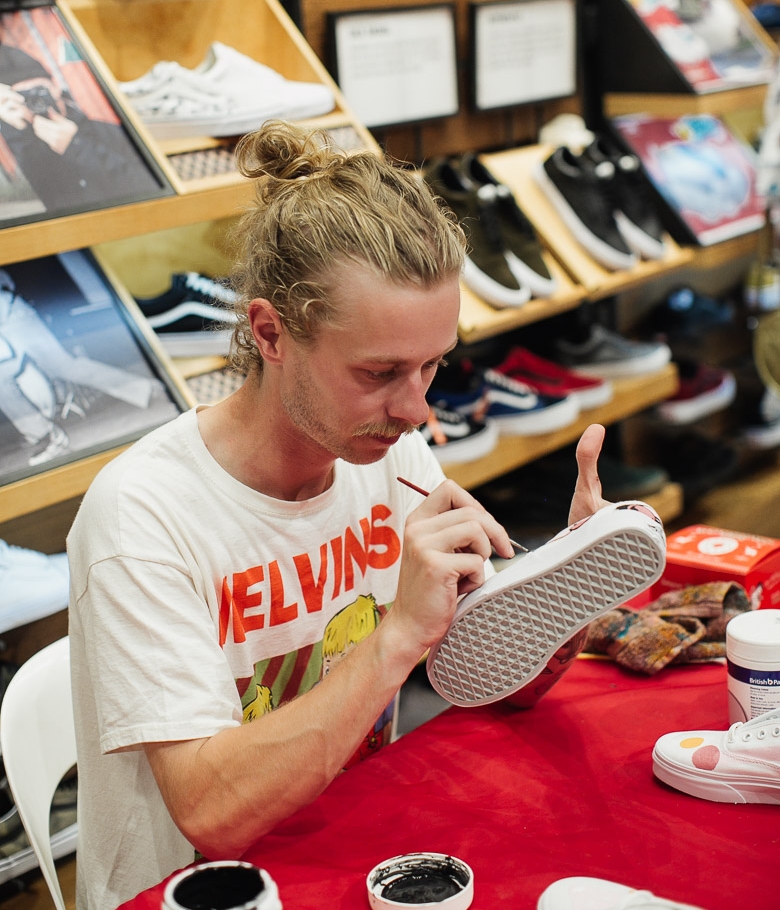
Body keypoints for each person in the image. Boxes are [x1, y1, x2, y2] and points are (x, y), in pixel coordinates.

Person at [67, 120, 608, 910]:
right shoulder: (143, 515)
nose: (419, 407)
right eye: (381, 371)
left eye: (433, 364)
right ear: (269, 332)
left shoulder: (385, 452)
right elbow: (214, 816)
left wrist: (564, 590)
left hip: (356, 850)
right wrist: (396, 638)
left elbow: (494, 691)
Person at [0, 42, 161, 215]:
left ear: (55, 88)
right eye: (25, 98)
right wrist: (16, 131)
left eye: (39, 91)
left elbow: (146, 186)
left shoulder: (109, 132)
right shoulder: (26, 148)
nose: (37, 103)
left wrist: (77, 146)